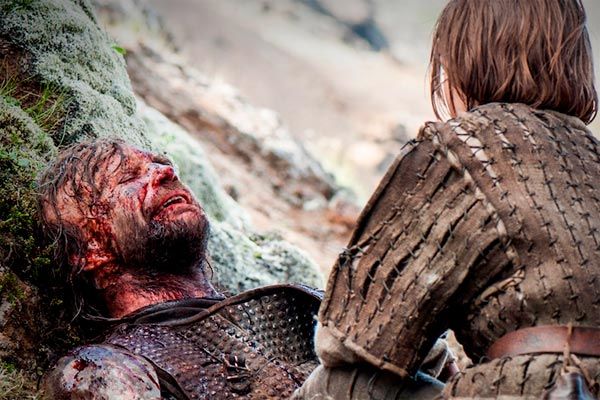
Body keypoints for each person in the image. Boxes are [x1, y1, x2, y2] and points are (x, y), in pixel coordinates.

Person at [295, 0, 600, 398]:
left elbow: (351, 340)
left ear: (467, 57)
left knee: (342, 384)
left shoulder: (461, 148)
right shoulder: (593, 158)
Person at [38, 139, 452, 399]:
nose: (165, 172)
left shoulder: (301, 307)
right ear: (89, 249)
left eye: (159, 163)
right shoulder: (104, 369)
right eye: (128, 177)